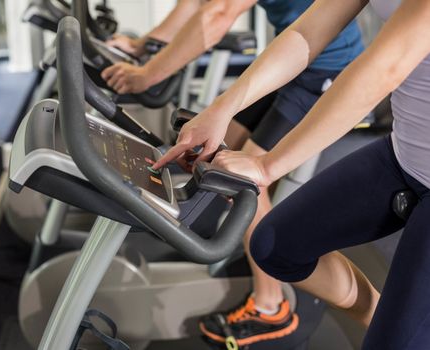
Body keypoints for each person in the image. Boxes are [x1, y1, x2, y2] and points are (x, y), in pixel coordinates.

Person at [154, 0, 430, 348]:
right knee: (276, 246)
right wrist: (220, 110)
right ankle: (393, 325)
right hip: (405, 154)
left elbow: (385, 67)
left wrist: (268, 165)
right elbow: (307, 31)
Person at [103, 0, 364, 346]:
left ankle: (271, 307)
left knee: (244, 177)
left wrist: (148, 73)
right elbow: (198, 4)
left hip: (324, 68)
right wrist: (145, 47)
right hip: (293, 61)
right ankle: (223, 235)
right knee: (223, 145)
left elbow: (219, 13)